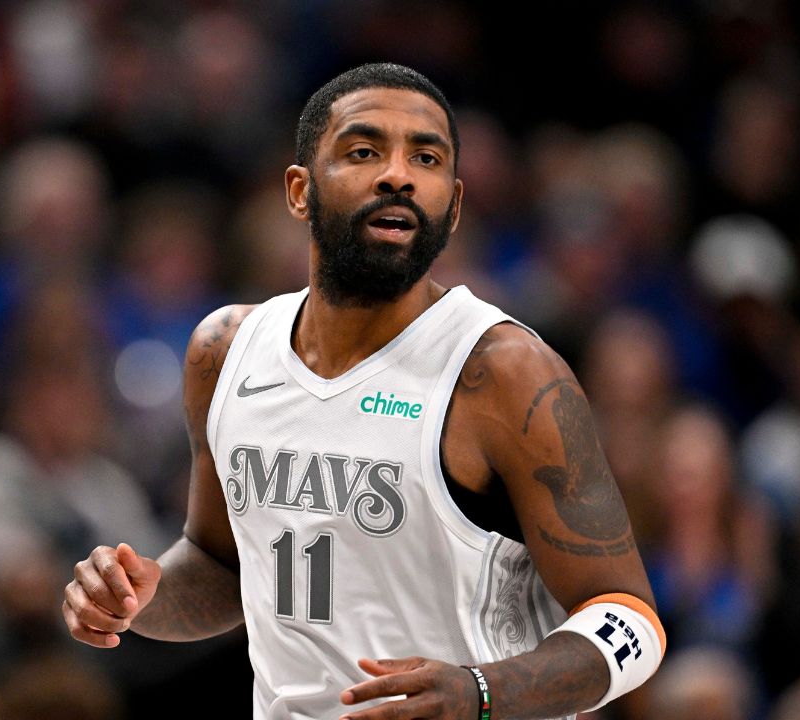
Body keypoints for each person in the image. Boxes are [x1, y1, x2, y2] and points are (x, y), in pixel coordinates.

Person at [62, 62, 663, 719]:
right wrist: (143, 596)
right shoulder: (226, 349)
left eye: (426, 157)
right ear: (299, 190)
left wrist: (482, 692)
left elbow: (630, 623)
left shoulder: (503, 372)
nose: (398, 174)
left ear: (454, 205)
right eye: (364, 150)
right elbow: (222, 568)